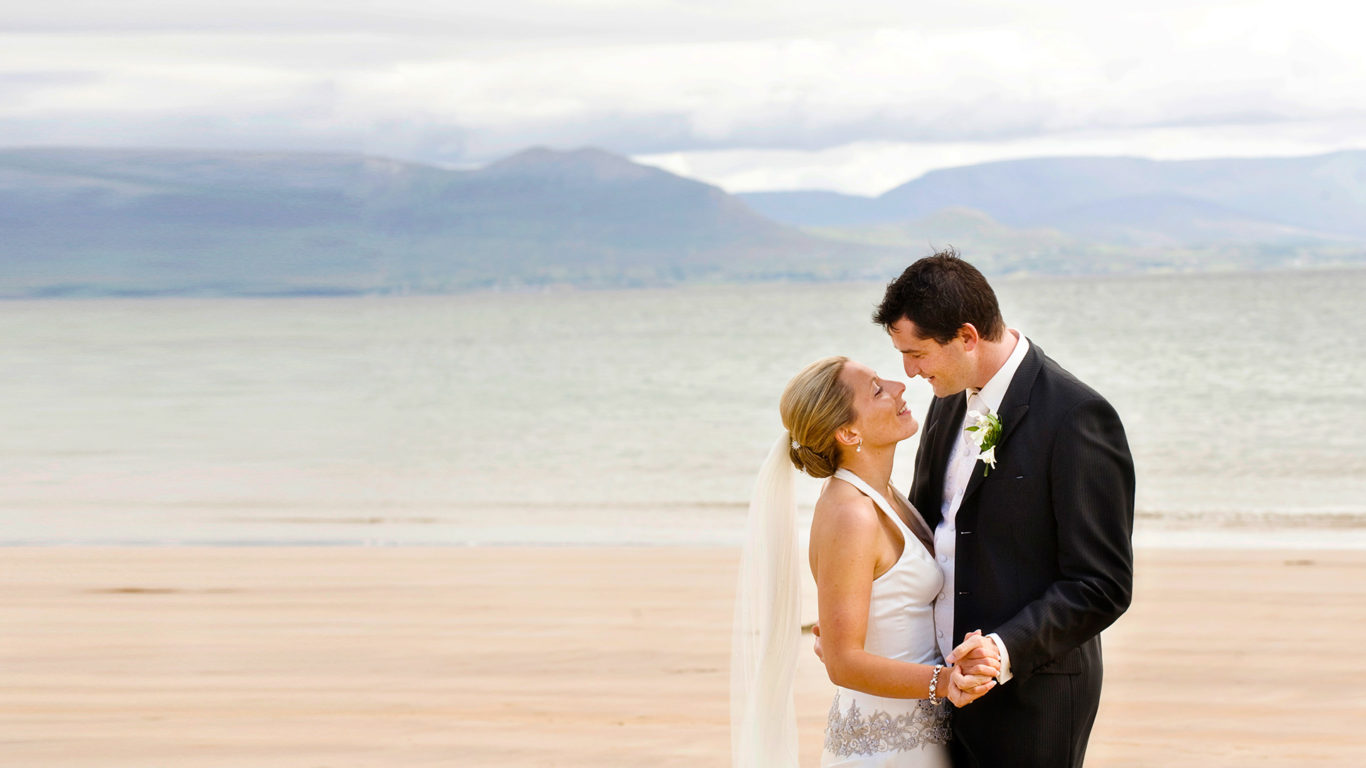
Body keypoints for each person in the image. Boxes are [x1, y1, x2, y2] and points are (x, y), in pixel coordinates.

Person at [872, 250, 1136, 767]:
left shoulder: (1078, 416)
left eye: (918, 352)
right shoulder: (947, 396)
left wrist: (1002, 650)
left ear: (967, 336)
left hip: (1031, 700)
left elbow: (1102, 584)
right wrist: (865, 618)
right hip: (934, 687)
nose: (909, 370)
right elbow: (932, 534)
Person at [733, 355, 1002, 768]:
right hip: (885, 751)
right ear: (847, 432)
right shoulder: (851, 514)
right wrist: (946, 682)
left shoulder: (883, 495)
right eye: (877, 389)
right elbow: (843, 663)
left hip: (918, 737)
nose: (899, 386)